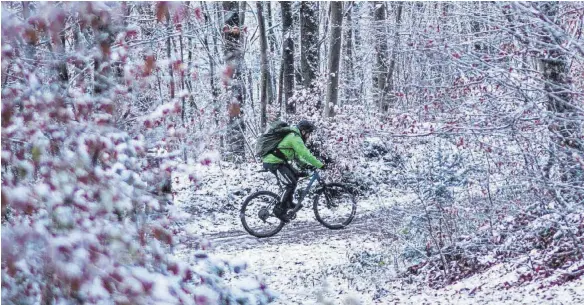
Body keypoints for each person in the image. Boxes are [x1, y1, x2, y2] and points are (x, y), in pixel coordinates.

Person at [262, 120, 324, 221]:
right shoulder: (295, 138)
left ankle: (288, 202)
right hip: (273, 162)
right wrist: (320, 165)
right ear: (303, 131)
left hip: (280, 162)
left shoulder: (294, 137)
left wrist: (306, 166)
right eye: (308, 133)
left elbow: (297, 157)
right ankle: (279, 210)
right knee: (290, 184)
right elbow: (305, 154)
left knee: (295, 176)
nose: (308, 136)